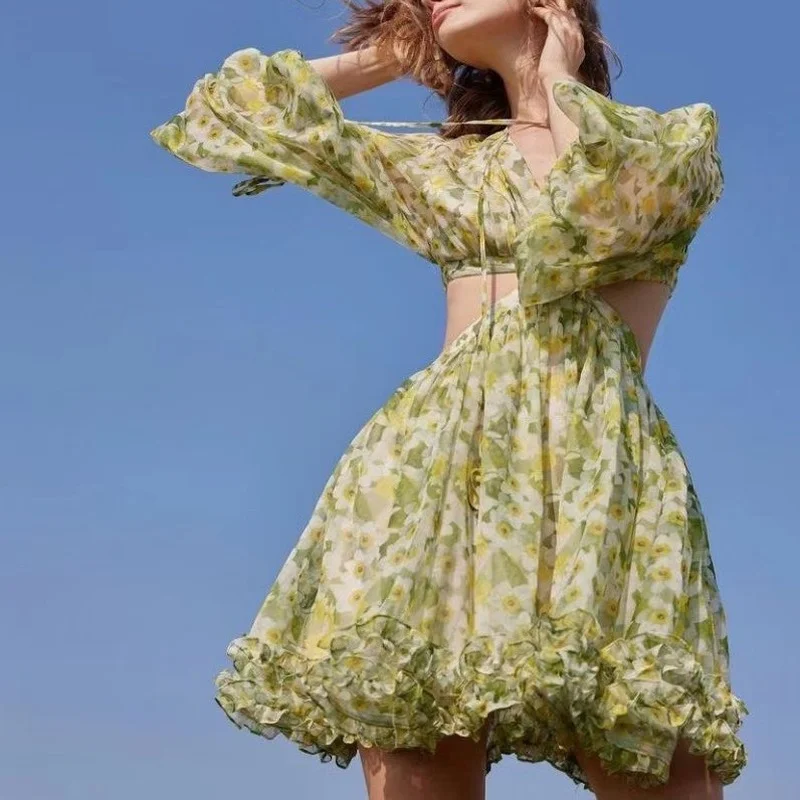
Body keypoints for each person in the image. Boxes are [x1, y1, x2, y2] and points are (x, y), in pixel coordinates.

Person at [150, 1, 747, 798]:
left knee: (655, 767)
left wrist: (556, 75)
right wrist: (396, 55)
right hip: (431, 480)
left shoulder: (665, 145)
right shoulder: (451, 167)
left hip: (597, 482)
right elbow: (235, 107)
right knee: (417, 760)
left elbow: (598, 203)